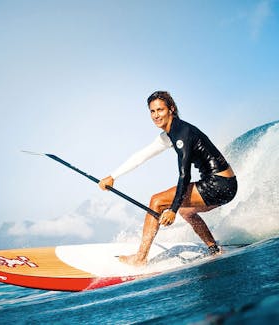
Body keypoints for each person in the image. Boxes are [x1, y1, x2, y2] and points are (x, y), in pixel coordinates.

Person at [98, 91, 237, 267]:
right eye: (152, 111)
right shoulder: (169, 134)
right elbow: (142, 156)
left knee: (156, 201)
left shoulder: (182, 133)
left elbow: (184, 175)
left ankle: (140, 258)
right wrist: (113, 176)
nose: (156, 115)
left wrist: (172, 209)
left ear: (171, 109)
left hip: (219, 184)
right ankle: (214, 249)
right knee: (187, 211)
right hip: (227, 185)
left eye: (160, 110)